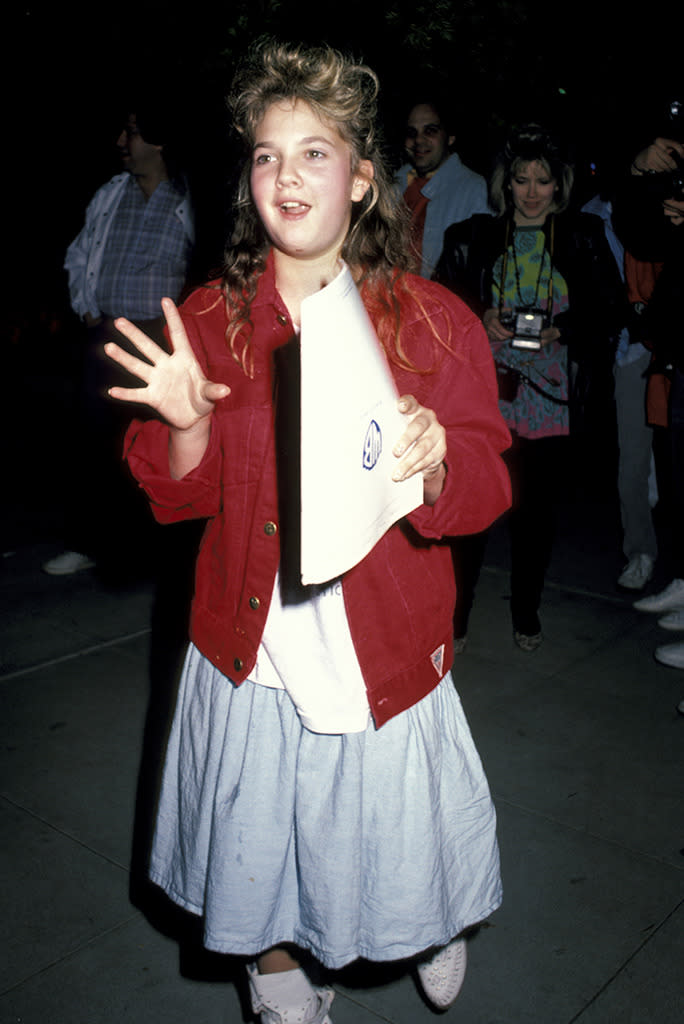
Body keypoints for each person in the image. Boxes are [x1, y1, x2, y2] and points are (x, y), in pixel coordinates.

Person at [103, 41, 511, 1023]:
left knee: (392, 830)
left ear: (364, 177)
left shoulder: (435, 323)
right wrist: (187, 424)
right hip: (253, 649)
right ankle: (278, 959)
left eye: (314, 152)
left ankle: (429, 916)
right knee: (263, 834)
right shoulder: (209, 317)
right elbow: (172, 498)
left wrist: (436, 463)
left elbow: (490, 476)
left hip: (385, 643)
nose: (285, 175)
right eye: (266, 154)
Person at [436, 124, 625, 651]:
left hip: (552, 399)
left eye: (543, 180)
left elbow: (610, 307)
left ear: (559, 184)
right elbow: (440, 309)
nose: (533, 191)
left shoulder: (582, 235)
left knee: (534, 516)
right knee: (472, 510)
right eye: (522, 180)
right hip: (487, 394)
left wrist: (561, 328)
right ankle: (456, 620)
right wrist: (482, 314)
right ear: (507, 184)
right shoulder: (473, 236)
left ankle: (526, 611)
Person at [43, 95, 195, 577]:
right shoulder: (112, 194)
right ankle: (90, 543)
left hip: (160, 343)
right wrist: (86, 307)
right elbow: (80, 252)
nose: (121, 142)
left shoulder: (188, 200)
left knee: (156, 447)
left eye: (131, 132)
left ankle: (154, 553)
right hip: (106, 335)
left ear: (159, 140)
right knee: (94, 444)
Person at [614, 122, 684, 671]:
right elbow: (640, 235)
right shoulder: (659, 187)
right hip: (663, 350)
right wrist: (640, 172)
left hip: (659, 346)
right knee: (662, 470)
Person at [581, 191, 659, 591]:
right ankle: (641, 552)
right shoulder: (588, 216)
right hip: (620, 352)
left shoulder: (657, 207)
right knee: (630, 463)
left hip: (654, 345)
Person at [395, 97, 491, 279]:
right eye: (411, 132)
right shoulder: (394, 183)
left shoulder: (473, 189)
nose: (419, 140)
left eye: (430, 131)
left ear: (450, 136)